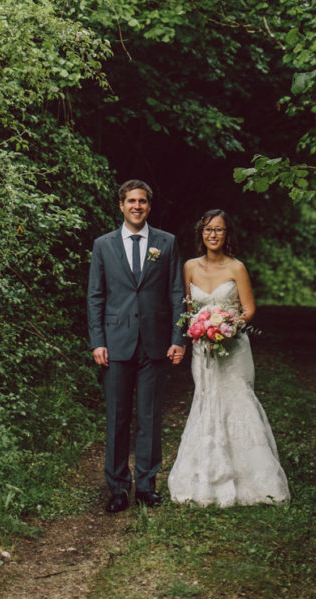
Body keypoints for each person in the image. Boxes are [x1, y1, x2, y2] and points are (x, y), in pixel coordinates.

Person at [167, 208, 290, 506]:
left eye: (219, 230)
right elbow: (186, 309)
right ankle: (206, 478)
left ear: (226, 234)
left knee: (237, 403)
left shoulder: (237, 268)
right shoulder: (190, 268)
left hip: (233, 349)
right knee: (207, 402)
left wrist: (228, 325)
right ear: (201, 233)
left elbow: (248, 310)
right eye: (208, 229)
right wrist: (199, 328)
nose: (213, 235)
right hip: (203, 350)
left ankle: (251, 480)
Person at [87, 179, 186, 512]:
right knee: (117, 417)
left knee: (150, 416)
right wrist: (97, 341)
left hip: (155, 343)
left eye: (142, 201)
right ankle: (117, 488)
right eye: (131, 201)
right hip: (115, 344)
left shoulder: (167, 243)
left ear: (149, 206)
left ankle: (146, 485)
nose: (137, 206)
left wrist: (178, 338)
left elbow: (176, 294)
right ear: (121, 205)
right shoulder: (103, 245)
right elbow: (96, 296)